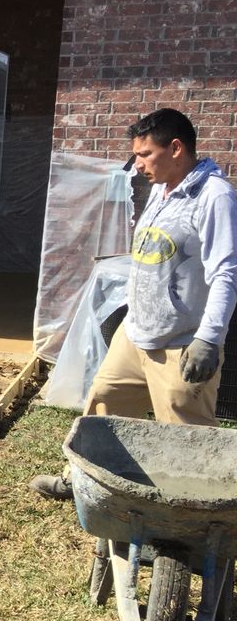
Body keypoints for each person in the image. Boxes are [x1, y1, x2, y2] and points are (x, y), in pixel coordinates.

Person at [31, 108, 237, 499]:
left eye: (145, 154)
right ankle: (83, 481)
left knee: (186, 434)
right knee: (104, 405)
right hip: (136, 333)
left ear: (176, 148)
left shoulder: (214, 198)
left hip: (181, 342)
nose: (137, 164)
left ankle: (190, 512)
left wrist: (208, 339)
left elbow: (227, 273)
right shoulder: (162, 191)